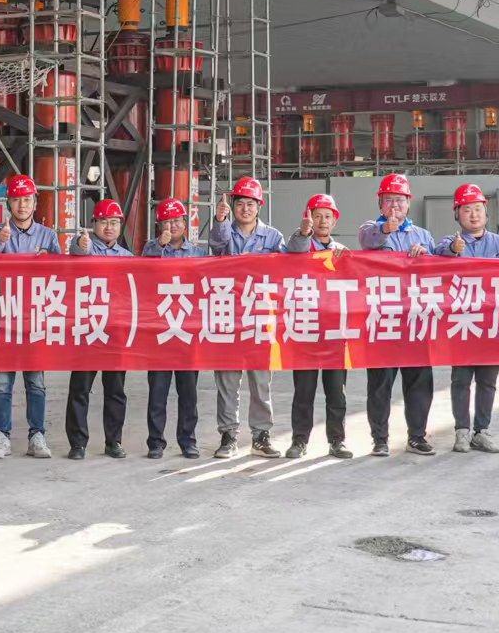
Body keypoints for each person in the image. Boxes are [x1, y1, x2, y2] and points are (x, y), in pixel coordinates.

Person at [431, 183, 499, 454]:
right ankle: (462, 431)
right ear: (457, 214)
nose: (473, 214)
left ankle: (482, 431)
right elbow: (438, 254)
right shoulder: (450, 242)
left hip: (492, 325)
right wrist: (453, 249)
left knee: (488, 380)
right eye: (467, 210)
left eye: (478, 209)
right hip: (463, 323)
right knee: (461, 380)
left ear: (486, 213)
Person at [357, 173, 438, 456]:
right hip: (383, 318)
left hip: (416, 318)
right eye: (389, 200)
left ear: (409, 203)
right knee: (380, 383)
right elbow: (369, 240)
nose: (395, 205)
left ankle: (417, 436)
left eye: (400, 200)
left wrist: (426, 255)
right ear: (380, 203)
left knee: (419, 382)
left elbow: (438, 269)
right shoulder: (370, 230)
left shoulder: (423, 236)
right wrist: (386, 229)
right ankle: (380, 439)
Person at [209, 176, 286, 459]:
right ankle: (228, 436)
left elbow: (288, 267)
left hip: (260, 318)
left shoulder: (273, 237)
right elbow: (217, 245)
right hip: (228, 316)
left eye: (250, 204)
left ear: (259, 206)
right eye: (240, 203)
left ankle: (261, 436)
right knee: (227, 380)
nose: (245, 209)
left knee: (261, 381)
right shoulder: (224, 232)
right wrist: (220, 220)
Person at [0, 173, 58, 460]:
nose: (22, 205)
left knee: (36, 381)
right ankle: (2, 436)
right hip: (5, 316)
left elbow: (63, 273)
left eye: (27, 200)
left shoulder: (48, 236)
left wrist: (50, 260)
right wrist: (1, 240)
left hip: (35, 317)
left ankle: (37, 436)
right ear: (9, 204)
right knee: (2, 383)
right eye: (16, 200)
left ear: (35, 203)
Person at [283, 194, 352, 460]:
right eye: (317, 216)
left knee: (336, 392)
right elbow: (294, 247)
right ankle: (299, 440)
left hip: (334, 332)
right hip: (306, 329)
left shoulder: (341, 251)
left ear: (335, 221)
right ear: (309, 219)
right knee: (304, 391)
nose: (323, 221)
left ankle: (337, 440)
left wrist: (346, 261)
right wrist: (303, 232)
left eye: (327, 216)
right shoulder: (300, 246)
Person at [65, 198, 132, 459]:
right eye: (104, 222)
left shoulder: (127, 258)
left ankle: (113, 441)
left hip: (115, 330)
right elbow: (75, 251)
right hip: (87, 328)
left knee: (115, 390)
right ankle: (77, 443)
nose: (109, 227)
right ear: (94, 224)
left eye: (114, 222)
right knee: (80, 388)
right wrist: (81, 246)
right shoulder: (86, 247)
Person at [141, 198, 206, 459]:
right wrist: (161, 245)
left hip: (187, 331)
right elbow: (143, 269)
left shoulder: (198, 253)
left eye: (177, 220)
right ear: (159, 225)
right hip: (159, 331)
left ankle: (188, 441)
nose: (173, 226)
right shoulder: (152, 248)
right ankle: (156, 442)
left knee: (188, 392)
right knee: (158, 391)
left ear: (185, 223)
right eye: (167, 222)